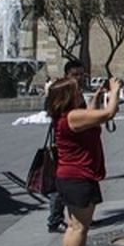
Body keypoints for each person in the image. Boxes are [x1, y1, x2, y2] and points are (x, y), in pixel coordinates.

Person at [47, 74, 119, 246]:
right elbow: (108, 113)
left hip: (67, 176)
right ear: (68, 95)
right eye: (76, 89)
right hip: (79, 177)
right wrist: (115, 91)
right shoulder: (72, 117)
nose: (79, 91)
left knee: (72, 226)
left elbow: (90, 114)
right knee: (80, 227)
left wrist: (97, 97)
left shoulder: (66, 116)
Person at [45, 60, 85, 234]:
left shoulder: (77, 92)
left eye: (82, 74)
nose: (79, 78)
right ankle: (54, 220)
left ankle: (76, 215)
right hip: (63, 145)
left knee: (69, 183)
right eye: (76, 74)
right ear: (67, 75)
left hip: (77, 144)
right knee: (59, 186)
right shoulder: (60, 91)